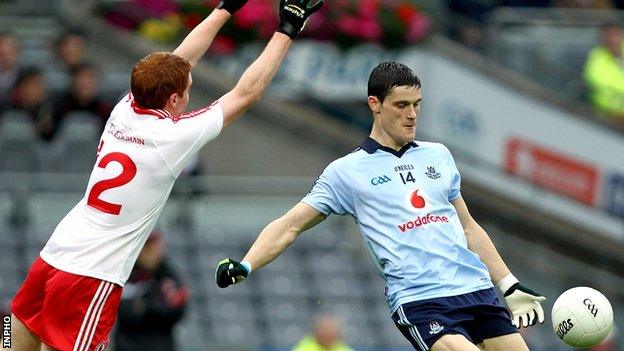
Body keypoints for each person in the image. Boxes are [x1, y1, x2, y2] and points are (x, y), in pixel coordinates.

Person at [10, 0, 323, 350]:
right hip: (91, 273)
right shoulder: (173, 137)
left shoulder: (123, 109)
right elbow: (246, 93)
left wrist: (224, 8)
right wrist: (287, 30)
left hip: (55, 251)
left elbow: (179, 60)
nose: (188, 93)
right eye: (186, 89)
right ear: (173, 98)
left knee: (15, 324)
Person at [216, 61, 547, 351]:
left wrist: (508, 284)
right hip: (422, 301)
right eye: (402, 105)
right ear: (374, 104)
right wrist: (246, 264)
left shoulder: (439, 155)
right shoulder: (347, 172)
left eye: (417, 104)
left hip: (477, 290)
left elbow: (468, 227)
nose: (412, 114)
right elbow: (290, 225)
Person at [114, 230, 187, 351]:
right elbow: (121, 310)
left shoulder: (168, 275)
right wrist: (153, 305)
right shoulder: (125, 273)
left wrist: (143, 306)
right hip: (127, 345)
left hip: (161, 345)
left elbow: (176, 310)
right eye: (147, 246)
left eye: (155, 245)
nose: (152, 251)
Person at [52, 62, 112, 135]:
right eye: (80, 77)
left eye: (90, 77)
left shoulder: (107, 110)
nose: (84, 83)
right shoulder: (59, 108)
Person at [584, 23, 624, 127]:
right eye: (609, 35)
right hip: (609, 115)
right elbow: (601, 85)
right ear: (602, 38)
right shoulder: (596, 59)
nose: (613, 39)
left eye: (616, 34)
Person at [0, 31, 21, 99]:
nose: (4, 49)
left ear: (17, 49)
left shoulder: (25, 73)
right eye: (1, 45)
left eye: (8, 45)